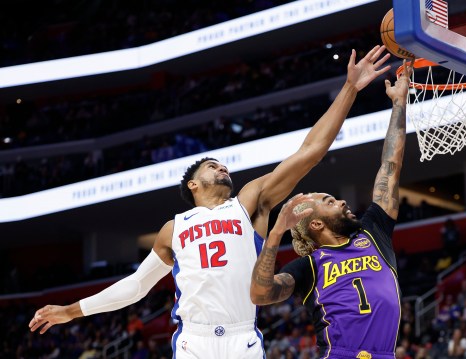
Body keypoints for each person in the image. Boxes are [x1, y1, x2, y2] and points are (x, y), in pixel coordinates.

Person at [28, 45, 392, 359]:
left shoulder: (249, 202)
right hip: (194, 340)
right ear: (193, 184)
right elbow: (137, 286)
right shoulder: (174, 228)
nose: (222, 166)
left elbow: (310, 152)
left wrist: (349, 89)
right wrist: (72, 311)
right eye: (211, 165)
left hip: (241, 337)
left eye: (222, 163)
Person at [250, 59, 413, 358]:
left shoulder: (373, 232)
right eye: (329, 201)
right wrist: (275, 234)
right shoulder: (309, 266)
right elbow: (260, 295)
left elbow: (390, 166)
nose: (341, 201)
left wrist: (400, 103)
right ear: (315, 225)